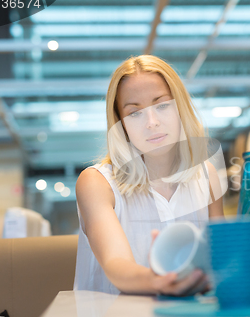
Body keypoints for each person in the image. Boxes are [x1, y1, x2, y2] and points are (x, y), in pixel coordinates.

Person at [73, 55, 225, 295]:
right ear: (120, 123)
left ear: (180, 108)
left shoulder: (207, 176)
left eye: (162, 105)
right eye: (135, 113)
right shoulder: (96, 183)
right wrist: (160, 281)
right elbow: (116, 265)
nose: (152, 123)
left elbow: (221, 256)